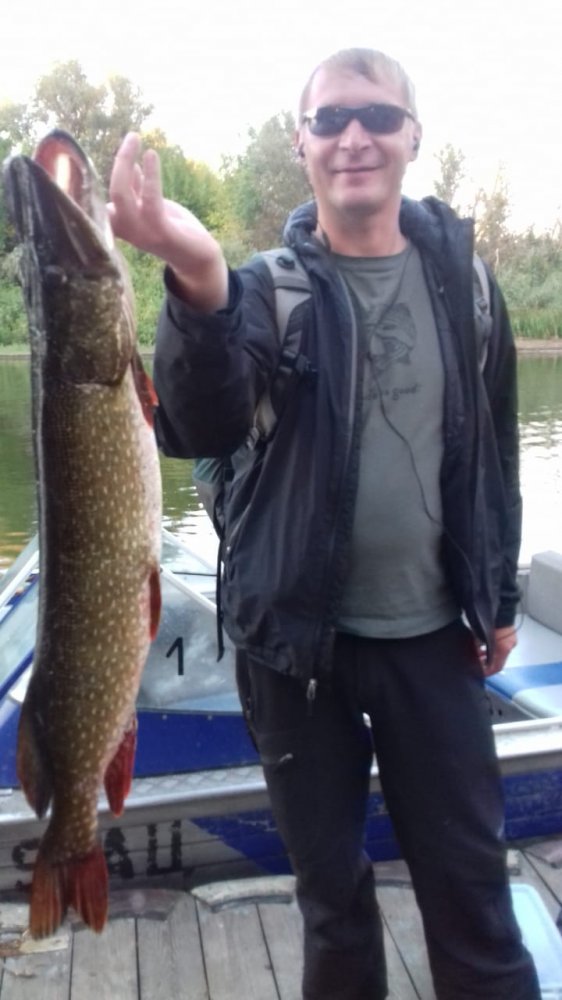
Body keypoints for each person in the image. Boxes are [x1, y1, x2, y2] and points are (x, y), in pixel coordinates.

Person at [109, 48, 540, 1000]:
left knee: (472, 893)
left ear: (413, 136)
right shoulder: (266, 289)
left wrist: (500, 597)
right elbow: (197, 424)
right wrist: (196, 274)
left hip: (435, 638)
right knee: (333, 904)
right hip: (294, 650)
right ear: (301, 143)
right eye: (332, 119)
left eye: (378, 117)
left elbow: (497, 453)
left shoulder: (468, 284)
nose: (355, 137)